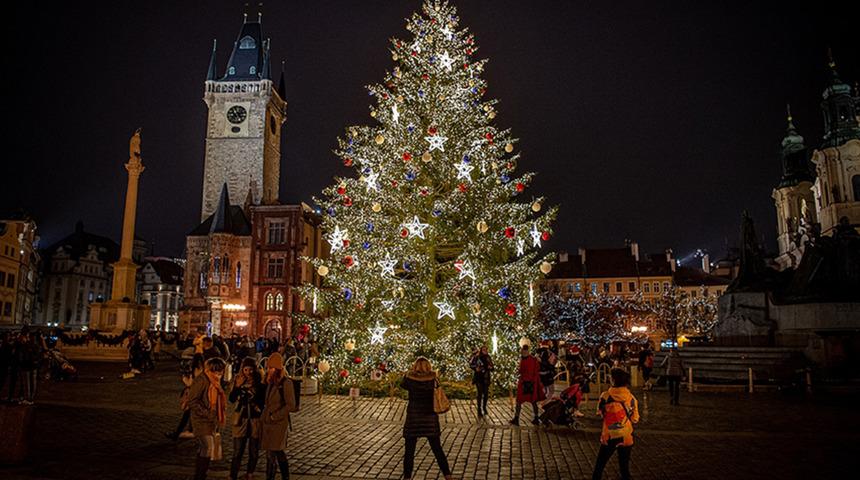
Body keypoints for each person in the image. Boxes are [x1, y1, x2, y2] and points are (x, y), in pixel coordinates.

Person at [401, 357, 453, 480]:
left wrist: (408, 374)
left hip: (413, 417)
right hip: (429, 417)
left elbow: (402, 385)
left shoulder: (409, 378)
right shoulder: (433, 378)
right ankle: (447, 475)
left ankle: (407, 477)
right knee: (437, 449)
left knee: (409, 451)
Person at [592, 368, 639, 480]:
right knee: (624, 469)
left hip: (610, 435)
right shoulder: (631, 398)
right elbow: (635, 419)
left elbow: (600, 413)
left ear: (613, 380)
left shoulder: (605, 396)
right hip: (626, 435)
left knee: (599, 466)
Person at [188, 357, 227, 480]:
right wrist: (207, 413)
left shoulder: (215, 381)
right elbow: (193, 401)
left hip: (211, 419)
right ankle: (200, 476)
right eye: (217, 371)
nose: (220, 374)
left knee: (205, 448)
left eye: (221, 371)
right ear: (210, 369)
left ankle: (200, 475)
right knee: (207, 446)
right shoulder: (202, 380)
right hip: (201, 419)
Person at [260, 352, 297, 480]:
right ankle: (276, 476)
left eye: (271, 368)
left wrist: (275, 416)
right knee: (272, 452)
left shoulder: (286, 383)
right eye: (268, 367)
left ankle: (281, 476)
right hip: (268, 422)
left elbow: (290, 405)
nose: (268, 370)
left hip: (279, 423)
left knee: (275, 451)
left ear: (277, 368)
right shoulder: (270, 382)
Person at [229, 357, 265, 480]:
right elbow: (232, 399)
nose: (248, 372)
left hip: (255, 419)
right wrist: (238, 387)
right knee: (238, 450)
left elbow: (262, 401)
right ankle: (232, 475)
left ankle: (250, 474)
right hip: (241, 419)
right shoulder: (237, 381)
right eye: (246, 369)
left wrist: (255, 403)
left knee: (254, 450)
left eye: (251, 370)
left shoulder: (260, 383)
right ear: (242, 369)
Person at [510, 344, 545, 426]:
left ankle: (516, 418)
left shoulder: (525, 360)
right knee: (533, 401)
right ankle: (536, 418)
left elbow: (522, 370)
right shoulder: (533, 359)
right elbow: (537, 369)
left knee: (519, 401)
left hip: (524, 383)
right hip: (532, 383)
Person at [469, 346, 493, 418]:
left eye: (486, 350)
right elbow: (471, 364)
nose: (485, 351)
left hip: (486, 378)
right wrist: (476, 368)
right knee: (479, 393)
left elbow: (492, 366)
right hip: (479, 378)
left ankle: (484, 407)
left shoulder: (488, 357)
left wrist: (491, 367)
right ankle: (479, 409)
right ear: (481, 350)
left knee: (485, 394)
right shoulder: (477, 357)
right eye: (483, 350)